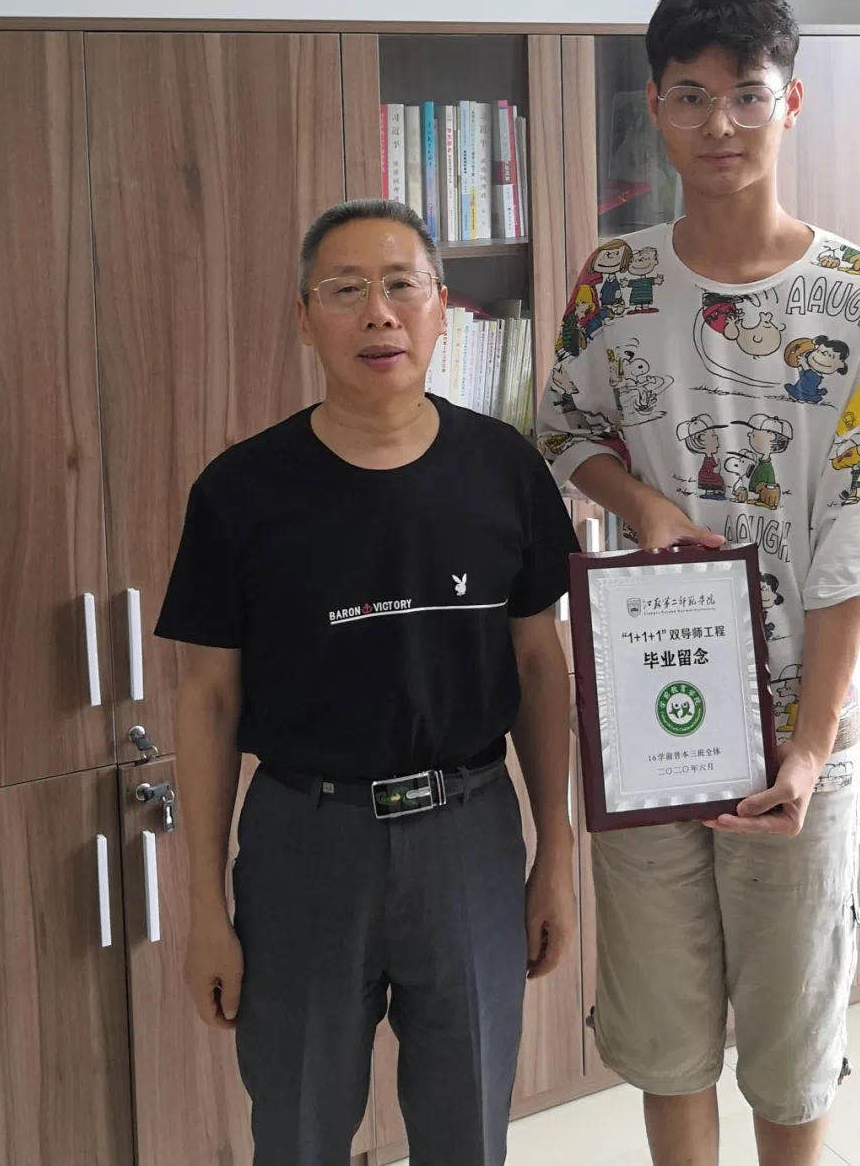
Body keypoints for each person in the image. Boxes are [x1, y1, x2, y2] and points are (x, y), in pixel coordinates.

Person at [537, 0, 860, 1166]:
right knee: (664, 1034)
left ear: (790, 103)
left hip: (800, 724)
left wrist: (808, 748)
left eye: (748, 94)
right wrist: (644, 504)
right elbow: (564, 429)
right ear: (654, 106)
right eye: (692, 95)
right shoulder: (617, 281)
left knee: (793, 1041)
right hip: (649, 708)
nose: (721, 124)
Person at [155, 199, 579, 1166]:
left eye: (400, 286)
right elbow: (208, 699)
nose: (378, 313)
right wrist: (206, 908)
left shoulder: (505, 469)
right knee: (299, 1130)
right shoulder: (240, 491)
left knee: (467, 1128)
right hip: (304, 841)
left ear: (441, 309)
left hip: (469, 835)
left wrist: (555, 853)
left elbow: (538, 665)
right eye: (345, 290)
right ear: (305, 318)